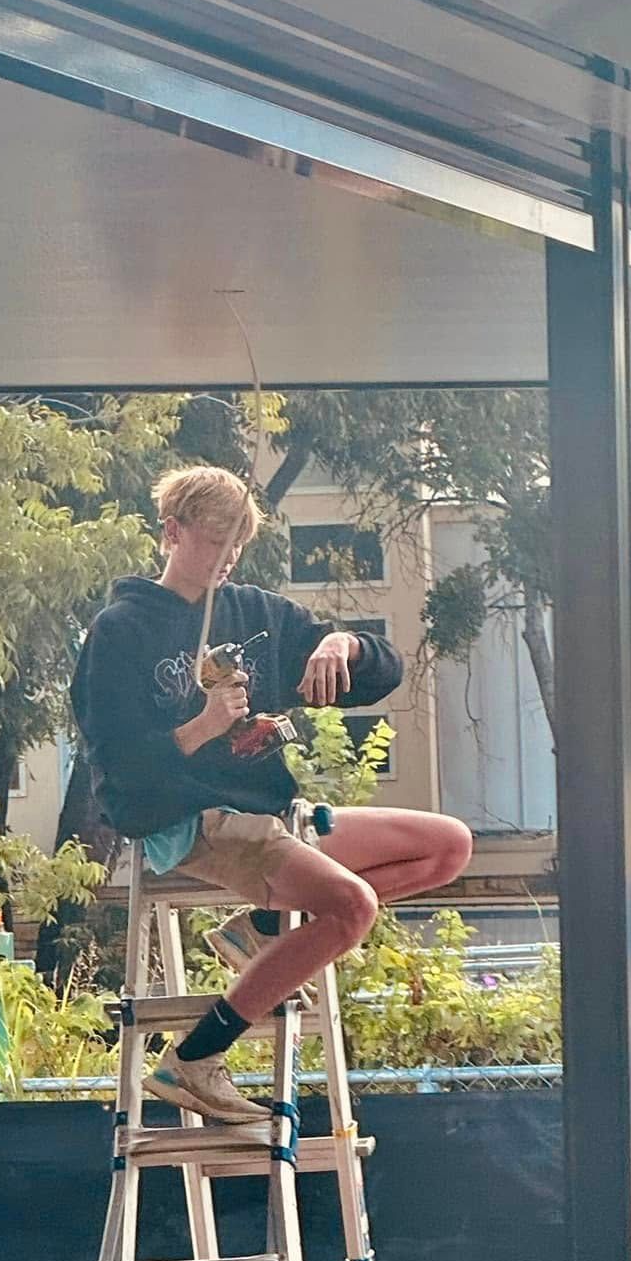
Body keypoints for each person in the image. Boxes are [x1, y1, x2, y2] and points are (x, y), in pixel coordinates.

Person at [72, 466, 473, 1123]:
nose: (225, 559)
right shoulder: (122, 629)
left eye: (236, 546)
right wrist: (202, 727)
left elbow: (384, 672)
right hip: (189, 818)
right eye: (211, 542)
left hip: (271, 816)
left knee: (447, 847)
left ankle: (260, 928)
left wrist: (343, 644)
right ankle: (193, 1061)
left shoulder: (253, 614)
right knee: (351, 908)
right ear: (171, 532)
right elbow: (115, 766)